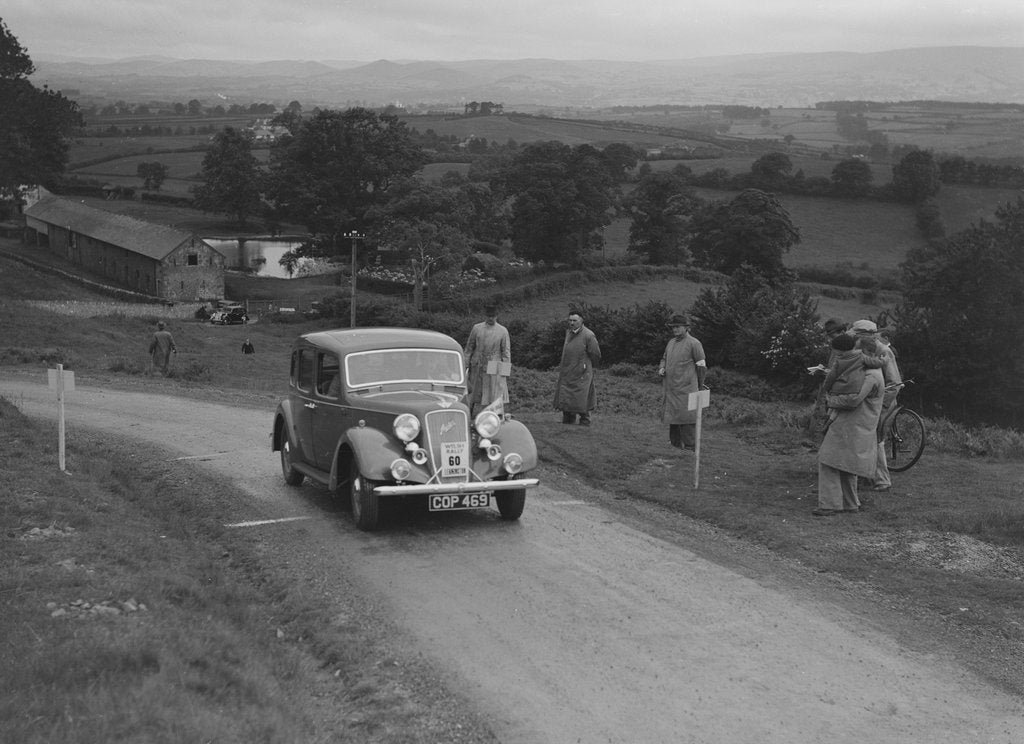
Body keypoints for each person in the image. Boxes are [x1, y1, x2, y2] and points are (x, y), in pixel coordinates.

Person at [813, 341, 885, 516]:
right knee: (846, 465)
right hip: (857, 427)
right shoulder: (872, 373)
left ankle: (829, 504)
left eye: (858, 351)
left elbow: (854, 400)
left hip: (852, 426)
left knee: (828, 460)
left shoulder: (871, 376)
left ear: (869, 354)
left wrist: (830, 400)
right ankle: (850, 503)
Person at [851, 319, 902, 492]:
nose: (855, 338)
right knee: (866, 439)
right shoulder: (862, 348)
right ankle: (866, 477)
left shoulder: (884, 350)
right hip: (869, 403)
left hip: (882, 405)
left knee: (876, 440)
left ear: (866, 335)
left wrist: (878, 404)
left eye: (857, 335)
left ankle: (882, 481)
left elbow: (894, 384)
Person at [658, 314, 707, 450]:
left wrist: (699, 386)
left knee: (688, 419)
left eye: (677, 327)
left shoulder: (694, 343)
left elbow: (701, 366)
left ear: (686, 328)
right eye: (673, 327)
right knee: (673, 418)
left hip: (687, 390)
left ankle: (691, 447)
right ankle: (675, 447)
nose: (675, 330)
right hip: (672, 389)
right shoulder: (671, 342)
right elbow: (664, 358)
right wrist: (662, 367)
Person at [553, 311, 601, 425]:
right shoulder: (568, 333)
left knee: (582, 397)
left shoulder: (589, 335)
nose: (572, 323)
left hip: (582, 373)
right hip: (567, 370)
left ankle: (585, 420)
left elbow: (595, 354)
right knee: (566, 395)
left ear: (581, 321)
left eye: (575, 320)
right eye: (570, 320)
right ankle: (568, 420)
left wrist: (586, 366)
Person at [464, 304, 511, 416]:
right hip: (478, 362)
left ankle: (495, 414)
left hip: (494, 363)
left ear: (496, 316)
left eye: (493, 316)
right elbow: (469, 347)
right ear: (485, 316)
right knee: (474, 390)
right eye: (489, 316)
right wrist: (466, 364)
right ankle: (469, 411)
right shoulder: (477, 328)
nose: (491, 318)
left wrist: (505, 371)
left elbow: (506, 352)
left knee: (494, 390)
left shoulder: (503, 331)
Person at [806, 318, 848, 437]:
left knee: (832, 414)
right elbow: (834, 364)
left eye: (833, 335)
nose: (831, 339)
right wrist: (824, 369)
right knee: (822, 409)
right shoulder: (837, 344)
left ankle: (824, 437)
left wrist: (830, 372)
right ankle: (814, 436)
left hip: (839, 387)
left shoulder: (849, 346)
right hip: (829, 383)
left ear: (843, 332)